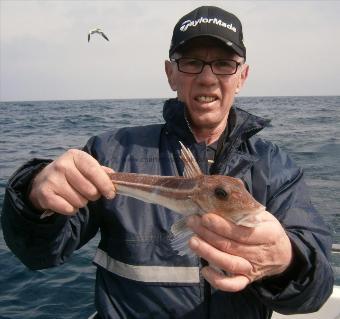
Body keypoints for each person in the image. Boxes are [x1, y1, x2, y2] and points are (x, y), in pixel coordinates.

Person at [1, 6, 333, 319]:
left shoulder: (275, 167)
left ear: (242, 76)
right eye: (190, 62)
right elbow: (38, 254)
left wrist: (286, 260)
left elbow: (315, 291)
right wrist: (33, 198)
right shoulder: (109, 151)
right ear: (170, 73)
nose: (206, 78)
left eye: (223, 64)